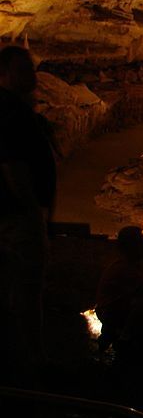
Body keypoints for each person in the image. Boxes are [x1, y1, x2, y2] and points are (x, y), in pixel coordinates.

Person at [0, 45, 56, 375]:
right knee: (26, 284)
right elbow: (12, 164)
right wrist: (32, 209)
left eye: (31, 69)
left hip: (14, 210)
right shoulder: (9, 111)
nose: (32, 77)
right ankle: (31, 361)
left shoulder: (16, 108)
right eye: (23, 70)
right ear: (4, 73)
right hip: (17, 214)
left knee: (15, 283)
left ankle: (17, 353)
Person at [95, 226, 143, 352]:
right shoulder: (123, 269)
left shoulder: (133, 265)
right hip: (110, 312)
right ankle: (123, 339)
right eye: (141, 241)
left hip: (115, 309)